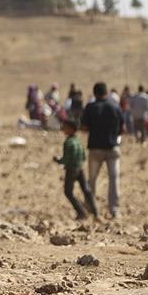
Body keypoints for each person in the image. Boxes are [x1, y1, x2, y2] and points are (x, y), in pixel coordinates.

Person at [81, 81, 122, 219]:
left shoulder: (90, 108)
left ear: (95, 93)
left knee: (92, 179)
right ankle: (114, 209)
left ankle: (90, 207)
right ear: (106, 93)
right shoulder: (115, 108)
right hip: (112, 148)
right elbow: (123, 128)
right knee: (114, 178)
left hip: (95, 148)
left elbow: (84, 127)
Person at [54, 119, 98, 220]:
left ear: (70, 129)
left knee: (68, 192)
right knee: (86, 190)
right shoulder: (78, 141)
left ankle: (81, 212)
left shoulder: (69, 142)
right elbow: (83, 156)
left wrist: (58, 160)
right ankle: (95, 212)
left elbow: (66, 159)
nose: (63, 128)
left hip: (71, 169)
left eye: (65, 127)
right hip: (79, 167)